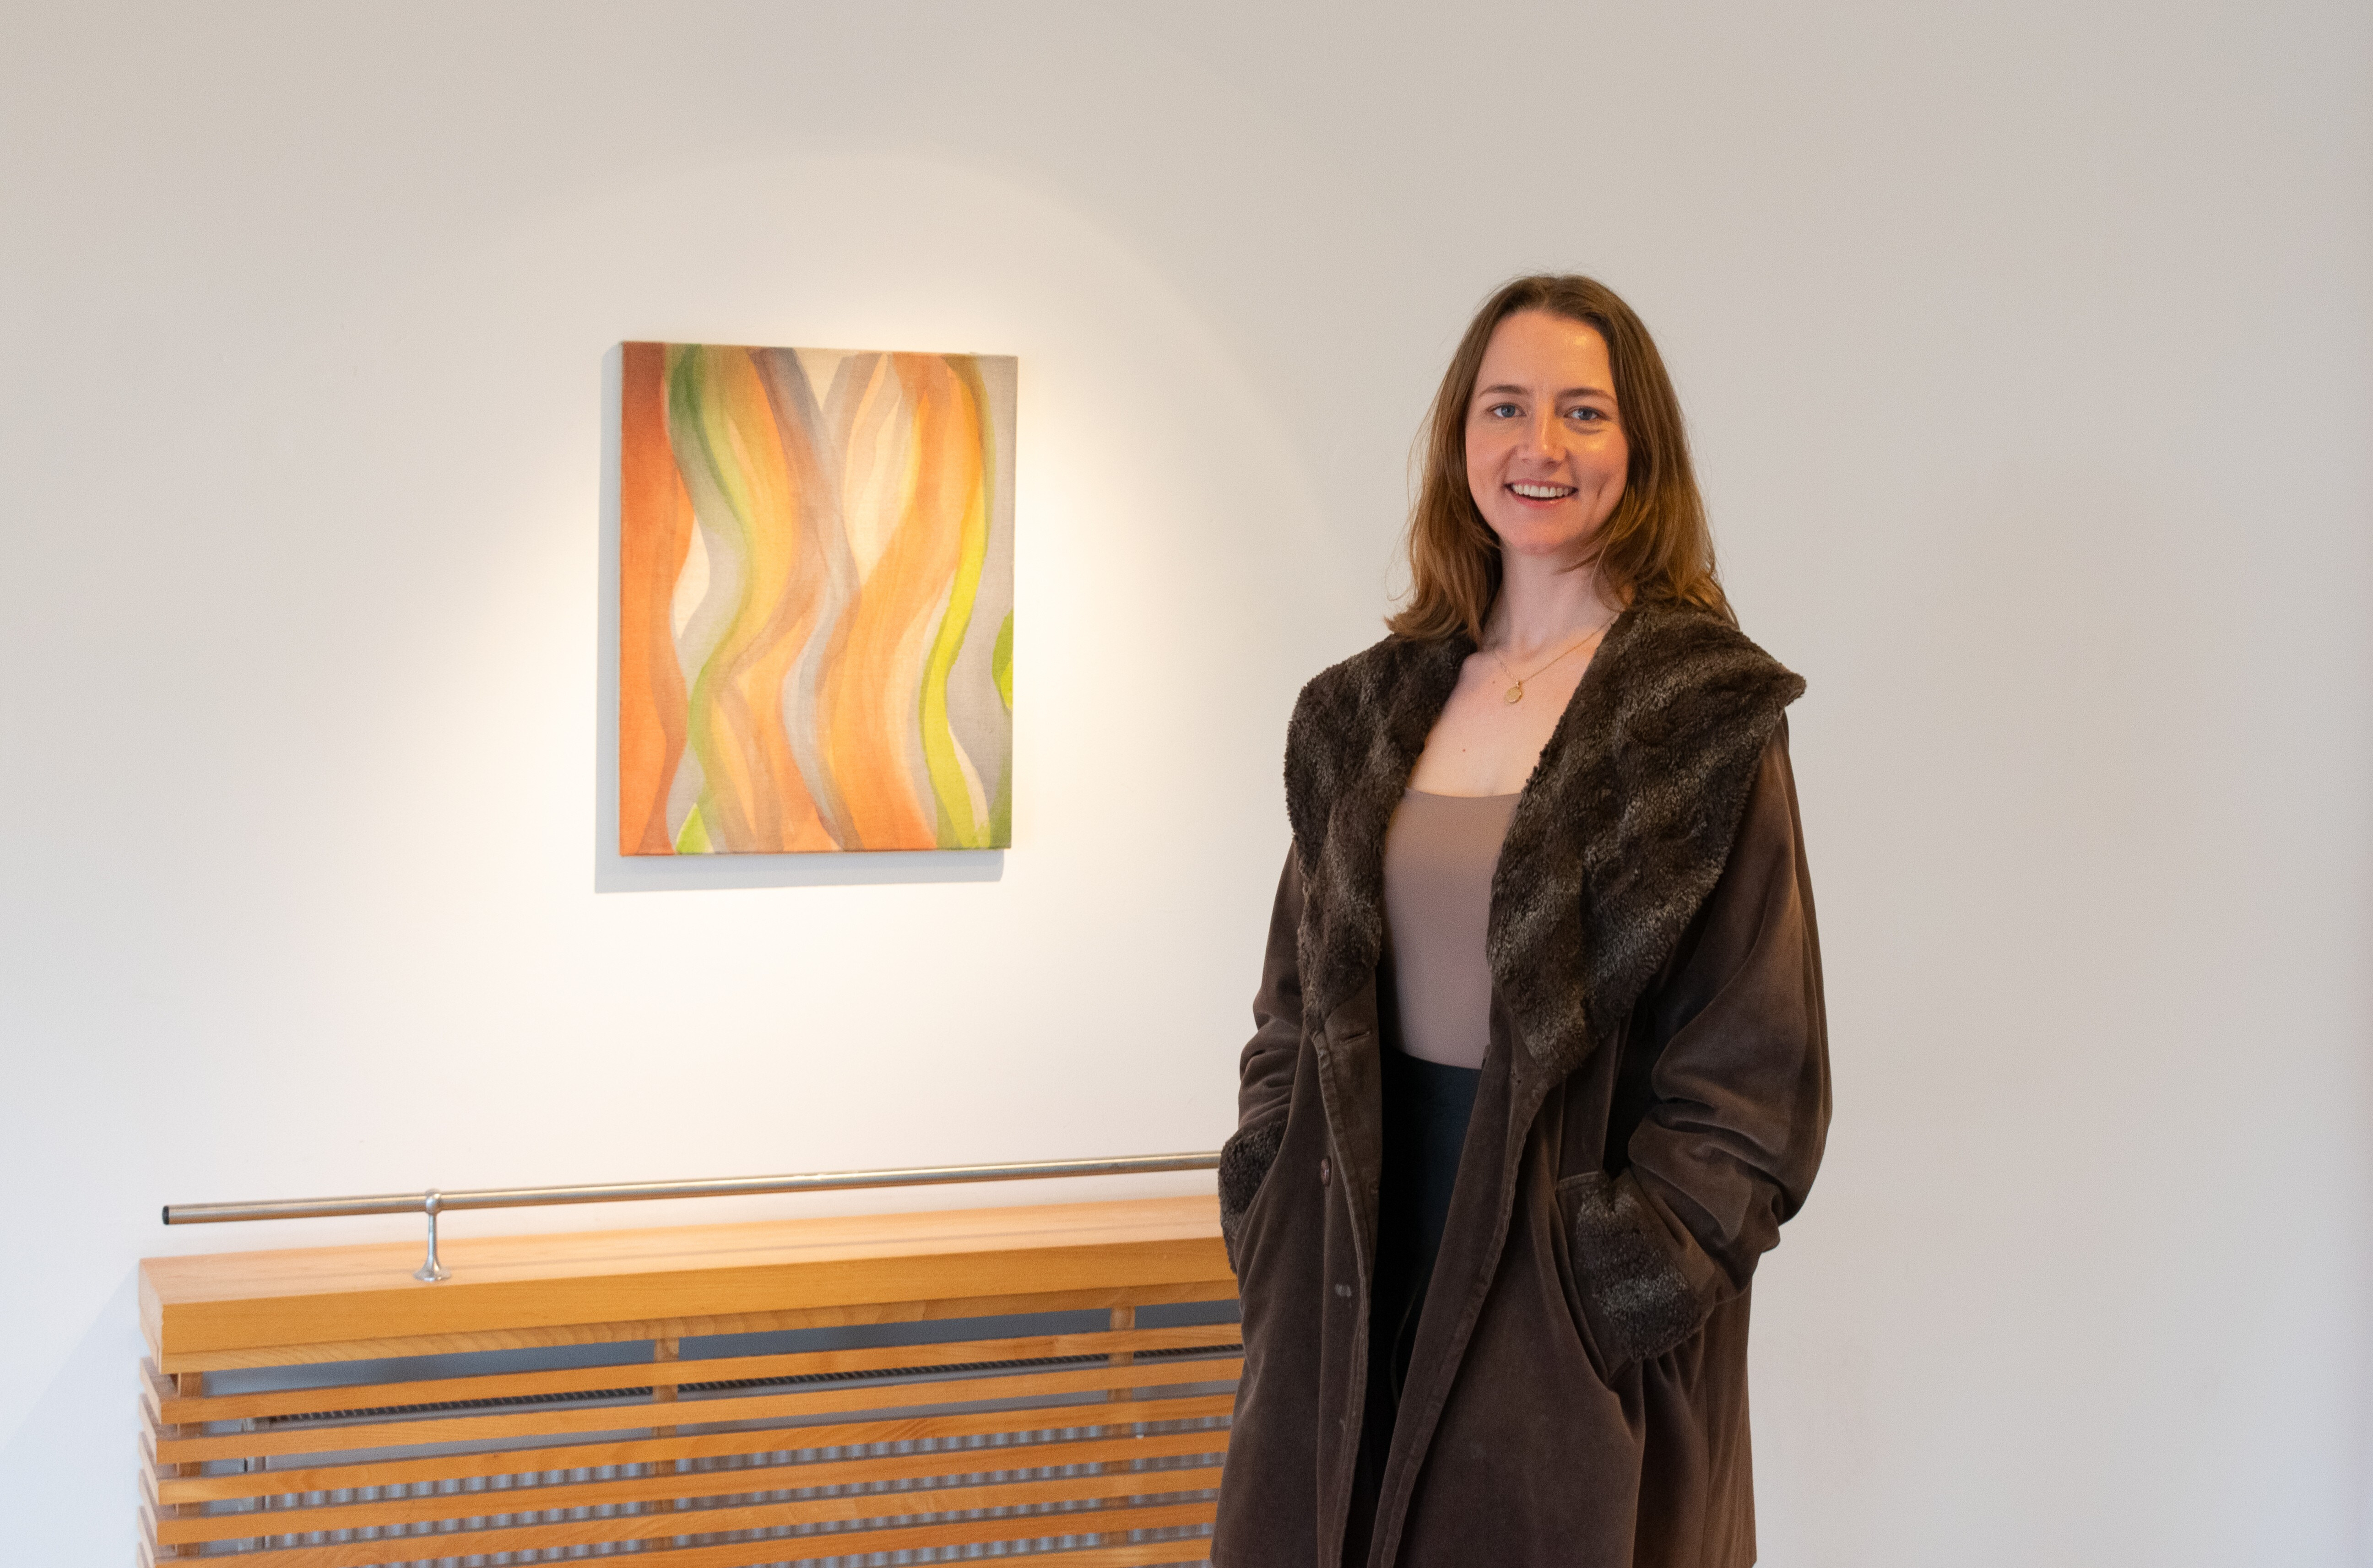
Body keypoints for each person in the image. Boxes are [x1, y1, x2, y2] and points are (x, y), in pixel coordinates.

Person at [1211, 275, 1830, 1568]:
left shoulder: (1698, 724)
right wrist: (1270, 1191)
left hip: (1552, 1293)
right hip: (1349, 1255)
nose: (1539, 447)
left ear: (1638, 448)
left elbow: (1756, 1084)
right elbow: (1290, 1011)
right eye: (1506, 407)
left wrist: (1606, 1285)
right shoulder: (1361, 711)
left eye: (1583, 413)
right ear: (1460, 441)